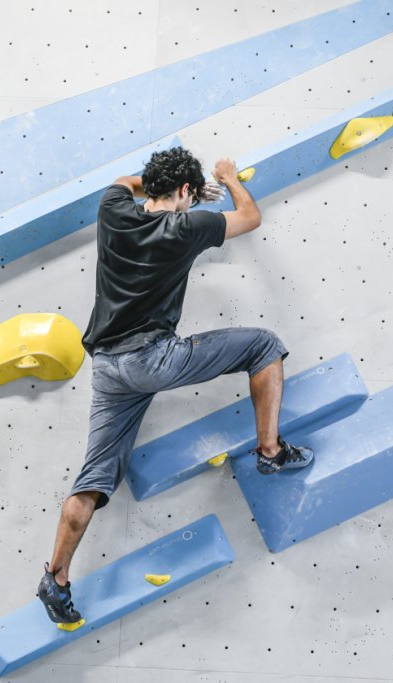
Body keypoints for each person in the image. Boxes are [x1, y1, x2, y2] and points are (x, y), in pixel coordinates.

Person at [37, 146, 313, 626]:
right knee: (264, 346)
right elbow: (249, 216)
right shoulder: (190, 226)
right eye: (190, 192)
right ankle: (270, 452)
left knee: (94, 479)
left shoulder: (112, 210)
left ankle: (55, 579)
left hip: (106, 368)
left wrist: (168, 185)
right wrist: (226, 178)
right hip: (153, 358)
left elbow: (127, 182)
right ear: (187, 191)